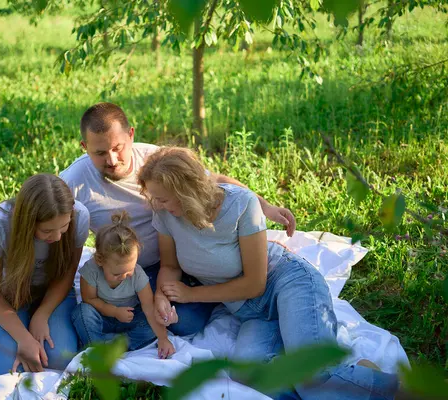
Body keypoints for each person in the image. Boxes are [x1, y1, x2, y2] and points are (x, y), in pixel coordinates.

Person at [137, 147, 400, 399]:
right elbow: (170, 267)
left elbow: (255, 284)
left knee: (311, 373)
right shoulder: (166, 215)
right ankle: (360, 381)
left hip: (288, 283)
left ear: (184, 191)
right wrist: (162, 294)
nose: (156, 204)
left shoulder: (240, 204)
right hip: (250, 312)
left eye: (161, 198)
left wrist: (191, 295)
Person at [60, 102, 296, 336]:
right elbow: (46, 206)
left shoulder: (155, 162)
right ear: (84, 147)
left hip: (175, 261)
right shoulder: (75, 179)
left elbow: (214, 181)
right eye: (99, 153)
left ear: (131, 135)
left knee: (181, 320)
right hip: (128, 268)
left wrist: (265, 206)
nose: (111, 160)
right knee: (158, 317)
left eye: (117, 148)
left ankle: (203, 292)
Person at [0, 174, 89, 374]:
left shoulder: (80, 216)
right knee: (9, 368)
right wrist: (23, 337)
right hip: (12, 295)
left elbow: (66, 274)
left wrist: (42, 315)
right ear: (28, 222)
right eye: (47, 231)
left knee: (57, 359)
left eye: (63, 227)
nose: (56, 237)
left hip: (54, 292)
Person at [71, 211, 176, 359]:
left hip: (129, 318)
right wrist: (114, 311)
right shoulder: (91, 271)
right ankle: (98, 345)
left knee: (149, 328)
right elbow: (89, 300)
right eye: (116, 274)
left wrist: (163, 339)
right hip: (102, 317)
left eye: (129, 270)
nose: (124, 276)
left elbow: (148, 307)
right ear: (100, 261)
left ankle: (109, 344)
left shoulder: (138, 275)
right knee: (82, 313)